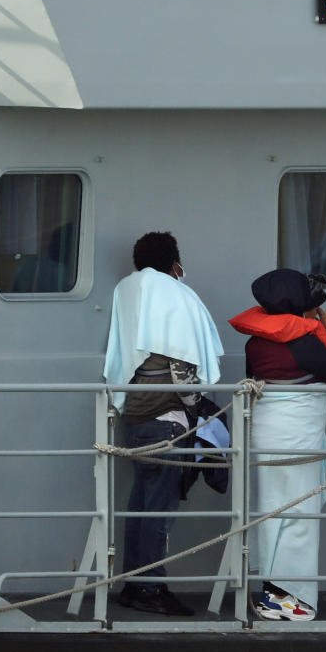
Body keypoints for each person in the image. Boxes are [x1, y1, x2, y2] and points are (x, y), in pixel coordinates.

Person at [103, 232, 224, 616]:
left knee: (141, 504)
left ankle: (133, 584)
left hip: (136, 413)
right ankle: (150, 589)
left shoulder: (128, 289)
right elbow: (182, 362)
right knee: (158, 509)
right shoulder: (169, 291)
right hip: (167, 419)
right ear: (174, 262)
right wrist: (200, 405)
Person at [229, 269, 326, 622]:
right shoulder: (302, 341)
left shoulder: (256, 342)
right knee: (299, 512)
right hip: (297, 435)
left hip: (266, 433)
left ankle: (272, 591)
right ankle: (289, 598)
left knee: (272, 510)